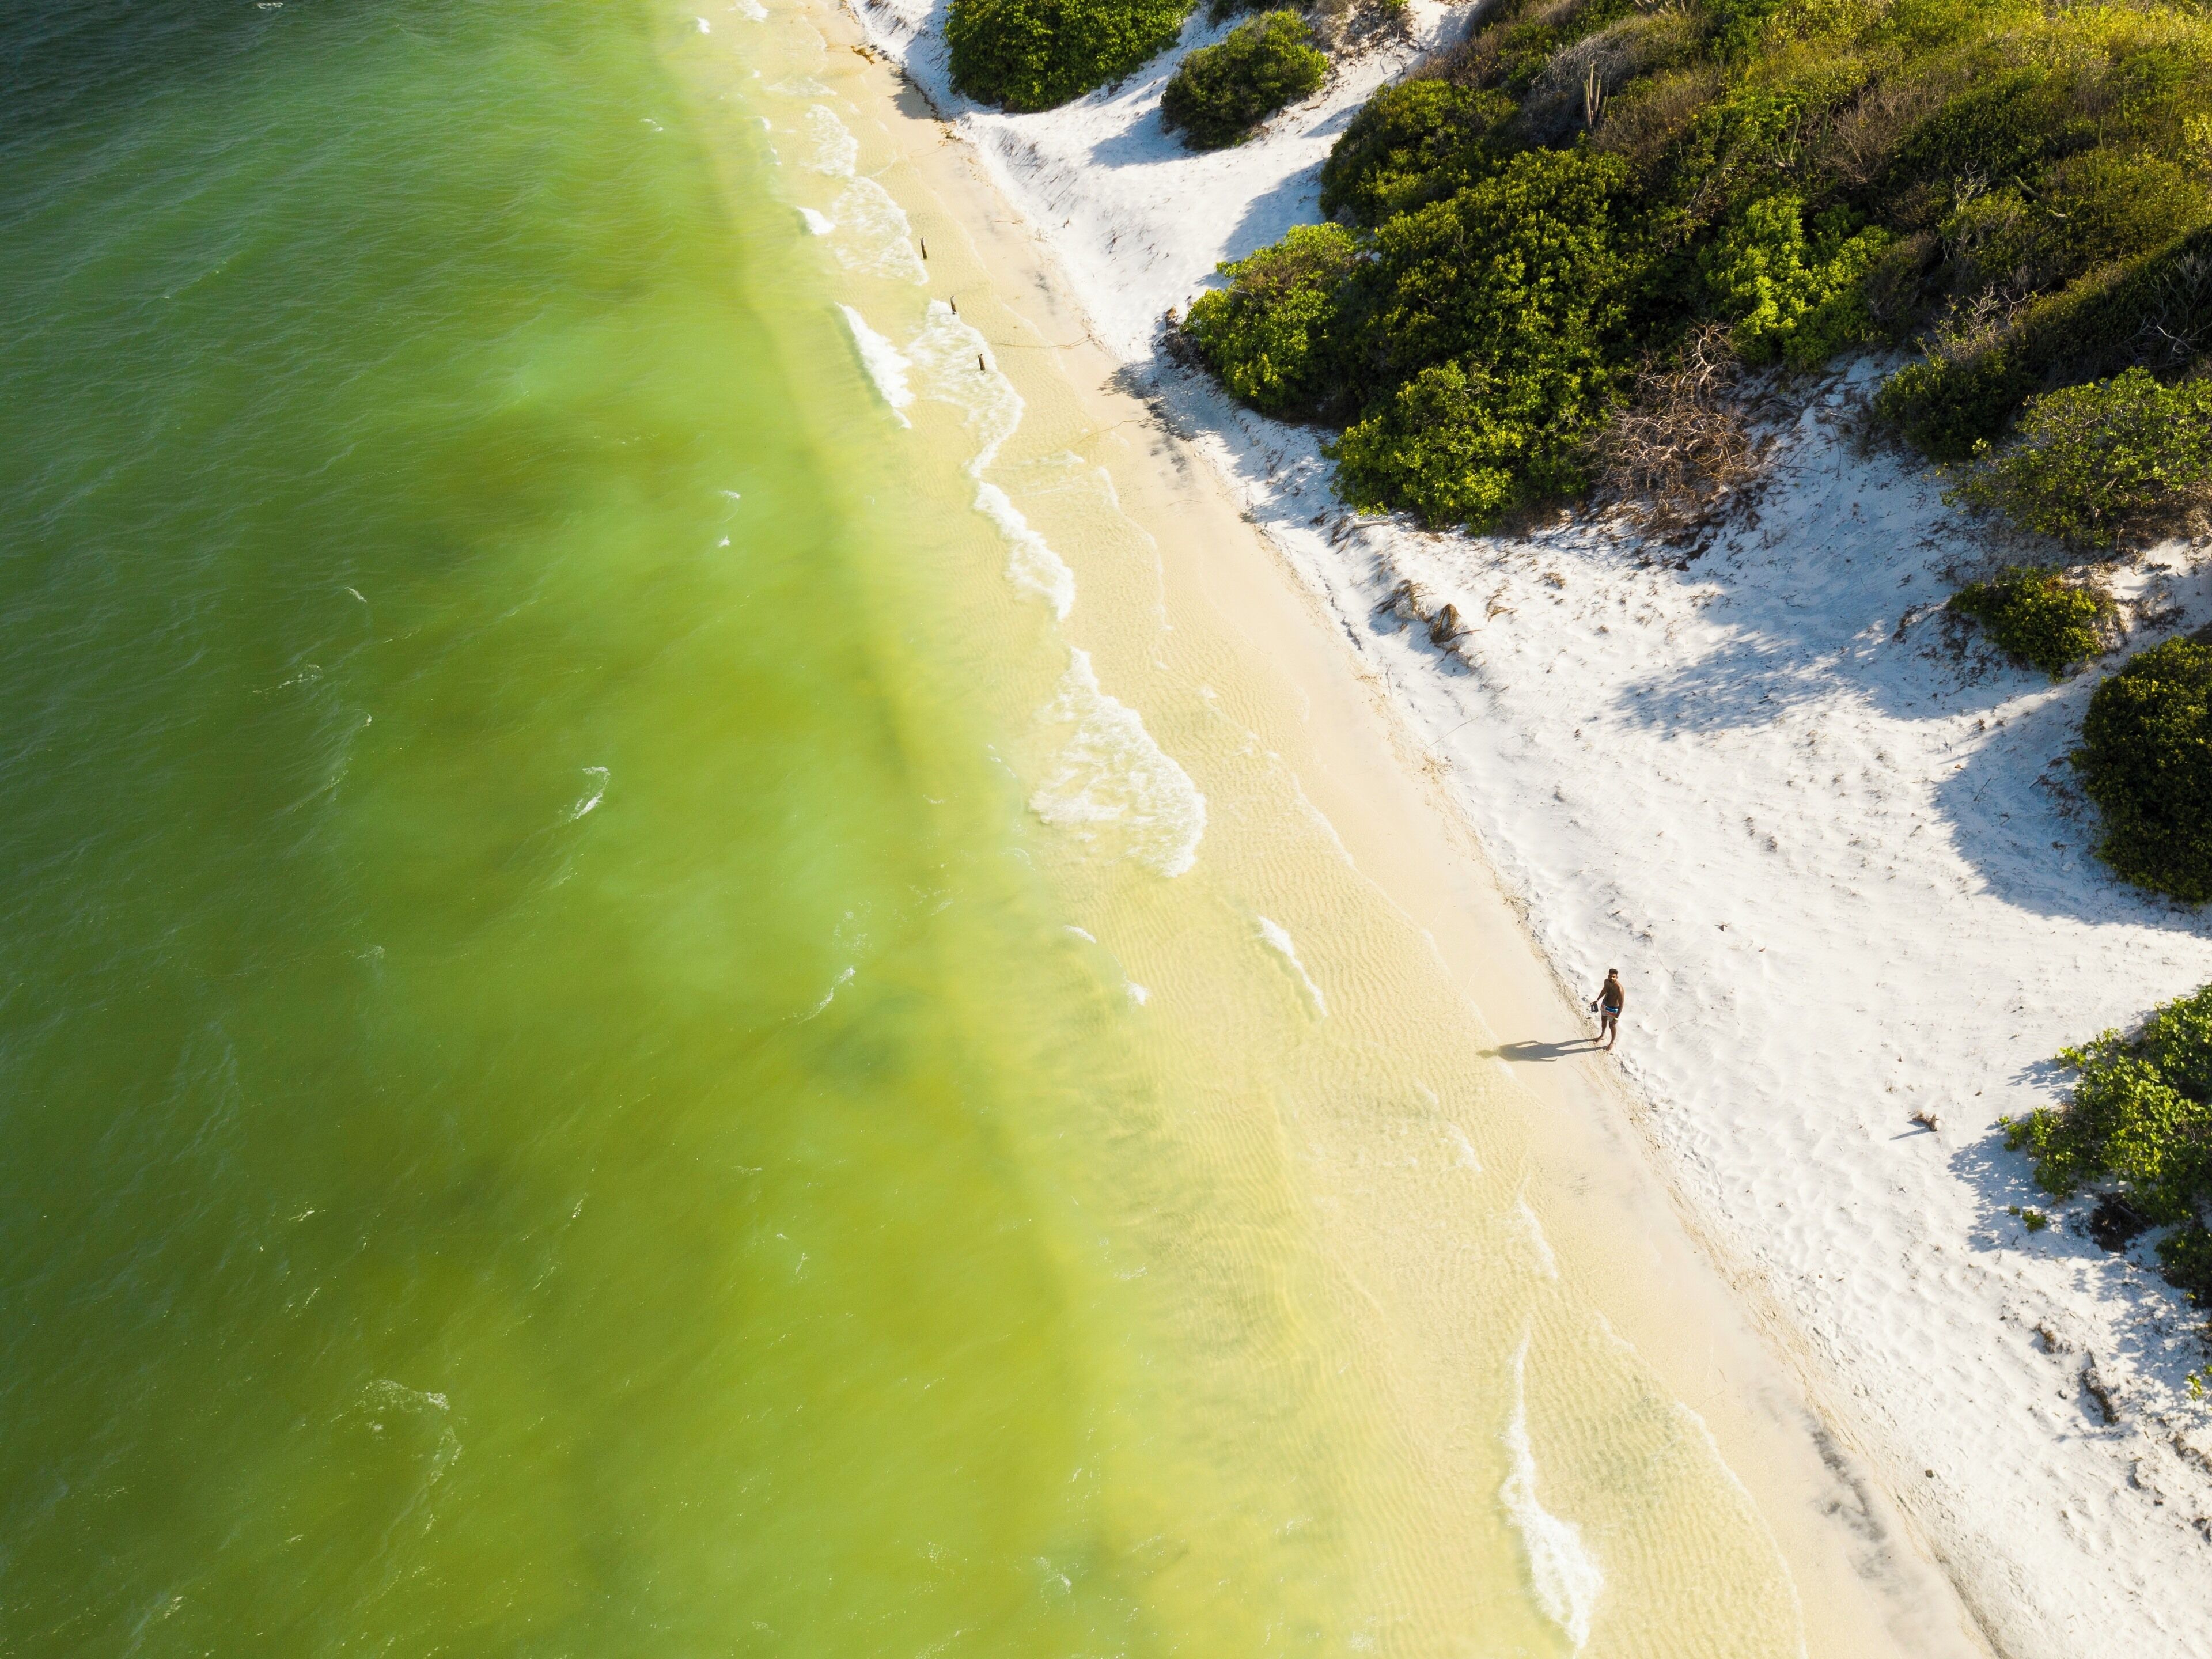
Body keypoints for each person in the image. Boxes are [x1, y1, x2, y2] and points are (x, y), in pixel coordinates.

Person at [1588, 969, 1624, 1051]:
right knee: (1603, 1019)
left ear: (1617, 977)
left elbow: (1622, 1004)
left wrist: (1616, 1017)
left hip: (1613, 1009)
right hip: (1605, 1005)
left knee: (1612, 1025)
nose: (1611, 978)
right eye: (1610, 976)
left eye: (1614, 977)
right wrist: (1597, 1000)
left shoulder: (1619, 989)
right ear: (1608, 976)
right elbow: (1604, 991)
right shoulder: (1606, 982)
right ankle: (1603, 1035)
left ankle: (1612, 1042)